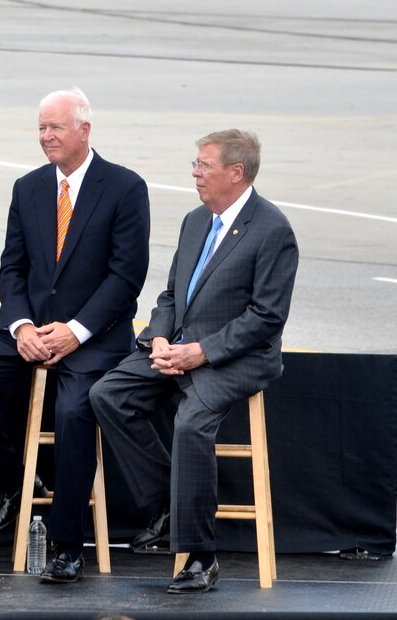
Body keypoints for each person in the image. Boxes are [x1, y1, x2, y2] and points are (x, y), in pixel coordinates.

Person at [0, 89, 150, 584]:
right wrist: (21, 326)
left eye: (55, 128)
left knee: (75, 411)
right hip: (30, 329)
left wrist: (75, 332)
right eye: (40, 128)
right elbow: (11, 268)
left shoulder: (124, 187)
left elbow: (126, 278)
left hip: (92, 336)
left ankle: (66, 545)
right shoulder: (29, 187)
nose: (46, 137)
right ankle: (15, 478)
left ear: (84, 130)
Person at [90, 129, 298, 595]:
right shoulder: (195, 220)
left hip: (234, 357)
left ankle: (201, 557)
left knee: (190, 425)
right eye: (196, 163)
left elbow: (266, 317)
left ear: (236, 173)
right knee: (108, 394)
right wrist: (160, 337)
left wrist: (201, 352)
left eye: (204, 165)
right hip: (179, 347)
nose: (195, 172)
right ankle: (169, 504)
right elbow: (170, 295)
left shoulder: (272, 230)